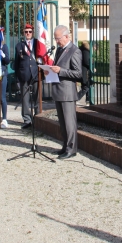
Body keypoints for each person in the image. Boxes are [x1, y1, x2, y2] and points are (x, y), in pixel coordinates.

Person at [43, 25, 82, 159]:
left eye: (58, 38)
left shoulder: (74, 51)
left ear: (67, 36)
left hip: (67, 92)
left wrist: (61, 71)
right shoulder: (60, 50)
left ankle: (72, 149)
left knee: (69, 123)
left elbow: (78, 74)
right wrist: (49, 70)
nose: (57, 41)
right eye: (55, 39)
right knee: (62, 122)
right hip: (58, 91)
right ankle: (65, 146)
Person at [14, 23, 40, 129]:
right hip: (24, 75)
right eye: (26, 32)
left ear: (33, 32)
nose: (28, 33)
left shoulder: (38, 44)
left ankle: (38, 118)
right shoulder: (19, 45)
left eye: (30, 31)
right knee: (25, 99)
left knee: (37, 98)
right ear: (23, 33)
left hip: (35, 74)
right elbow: (17, 62)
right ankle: (27, 119)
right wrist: (17, 77)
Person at [78, 40, 91, 104]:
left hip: (81, 70)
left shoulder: (80, 50)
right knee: (86, 86)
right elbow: (87, 61)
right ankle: (77, 98)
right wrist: (91, 66)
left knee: (86, 85)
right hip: (84, 71)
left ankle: (88, 100)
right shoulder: (85, 51)